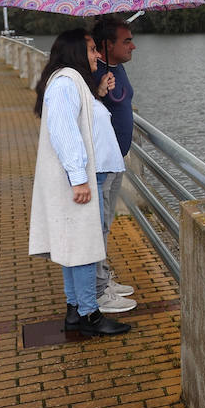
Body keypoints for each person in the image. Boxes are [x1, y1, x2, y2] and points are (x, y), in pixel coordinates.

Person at [29, 28, 131, 336]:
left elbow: (80, 121)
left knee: (76, 246)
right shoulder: (64, 83)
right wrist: (79, 180)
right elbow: (64, 133)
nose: (97, 55)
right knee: (85, 248)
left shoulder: (73, 82)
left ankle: (76, 311)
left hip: (88, 176)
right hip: (84, 179)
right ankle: (90, 315)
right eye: (91, 50)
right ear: (75, 53)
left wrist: (97, 94)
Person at [90, 17, 138, 313]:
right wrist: (98, 92)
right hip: (101, 163)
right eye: (126, 41)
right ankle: (97, 291)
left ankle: (103, 279)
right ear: (107, 45)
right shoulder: (91, 73)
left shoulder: (116, 68)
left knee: (105, 223)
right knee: (97, 226)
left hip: (115, 159)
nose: (133, 46)